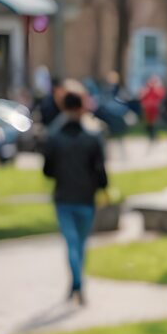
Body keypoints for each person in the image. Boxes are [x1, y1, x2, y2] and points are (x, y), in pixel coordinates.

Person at [42, 89, 108, 305]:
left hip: (64, 197)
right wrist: (102, 186)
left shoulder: (54, 137)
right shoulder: (92, 137)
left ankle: (75, 283)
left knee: (72, 244)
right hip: (85, 198)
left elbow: (47, 171)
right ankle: (78, 283)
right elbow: (100, 171)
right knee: (80, 244)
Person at [139, 74, 165, 143]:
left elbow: (161, 96)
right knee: (149, 123)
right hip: (148, 108)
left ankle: (154, 135)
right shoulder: (146, 89)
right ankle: (151, 135)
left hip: (155, 108)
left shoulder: (157, 88)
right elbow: (142, 96)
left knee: (154, 122)